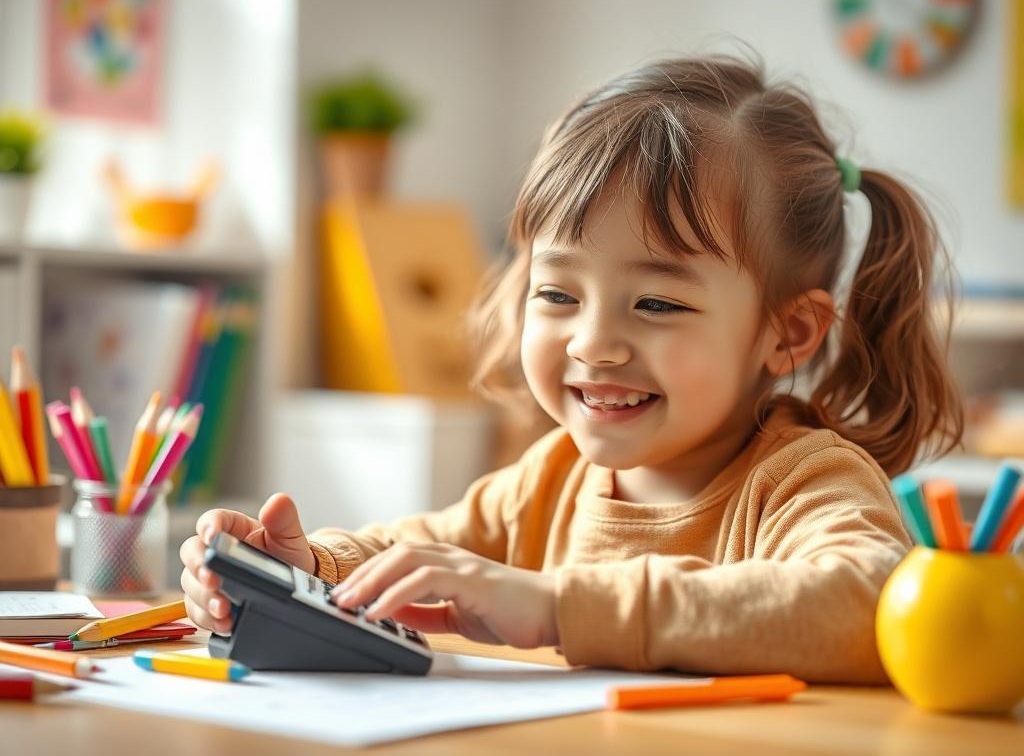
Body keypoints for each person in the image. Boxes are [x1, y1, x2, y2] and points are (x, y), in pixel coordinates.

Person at [180, 55, 962, 682]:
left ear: (787, 332)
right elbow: (420, 553)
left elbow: (867, 605)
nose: (593, 343)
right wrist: (308, 567)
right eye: (557, 292)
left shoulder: (806, 482)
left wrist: (558, 606)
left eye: (656, 303)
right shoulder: (547, 479)